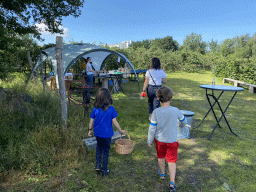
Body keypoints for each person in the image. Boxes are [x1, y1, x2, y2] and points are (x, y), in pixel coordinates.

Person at [147, 86, 187, 192]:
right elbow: (184, 122)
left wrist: (149, 140)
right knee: (172, 161)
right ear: (171, 97)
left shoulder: (156, 112)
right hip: (172, 141)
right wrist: (181, 125)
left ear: (158, 98)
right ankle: (172, 183)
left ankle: (162, 174)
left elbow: (152, 128)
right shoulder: (176, 110)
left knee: (161, 157)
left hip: (160, 141)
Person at [88, 88, 127, 177]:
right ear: (109, 98)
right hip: (107, 135)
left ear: (97, 98)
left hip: (98, 134)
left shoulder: (95, 109)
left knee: (98, 148)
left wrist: (90, 130)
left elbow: (91, 121)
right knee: (106, 151)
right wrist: (120, 130)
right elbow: (115, 121)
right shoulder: (111, 109)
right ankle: (104, 170)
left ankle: (98, 165)